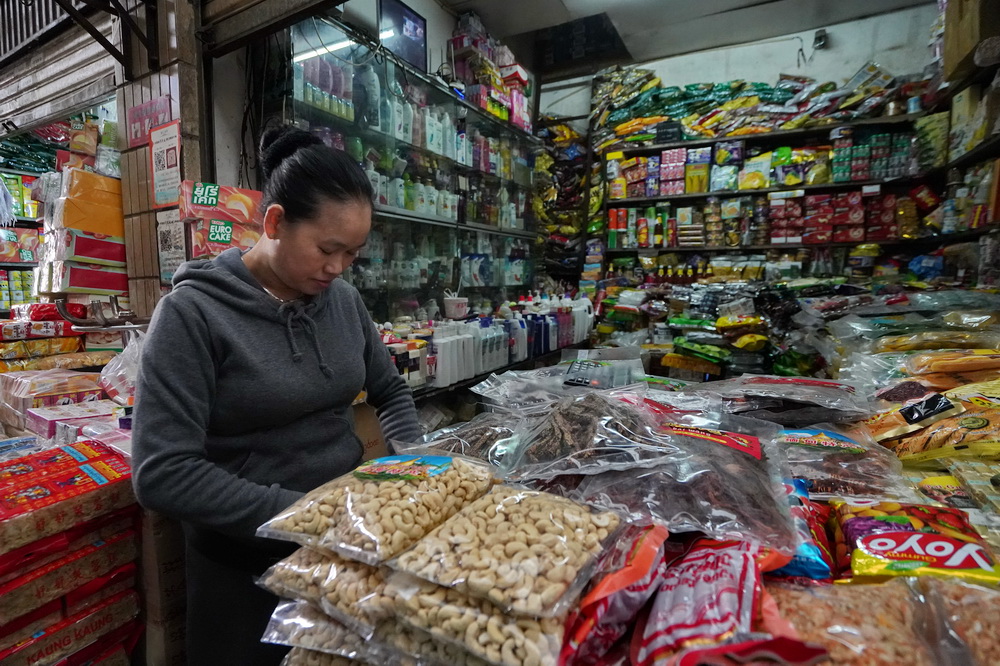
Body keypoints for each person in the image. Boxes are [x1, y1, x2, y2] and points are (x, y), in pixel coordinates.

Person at [132, 126, 421, 665]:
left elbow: (389, 390)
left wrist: (417, 461)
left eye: (352, 254)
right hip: (242, 568)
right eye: (327, 249)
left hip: (342, 552)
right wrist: (304, 516)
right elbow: (162, 472)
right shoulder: (192, 315)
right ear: (274, 223)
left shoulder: (344, 301)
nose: (337, 268)